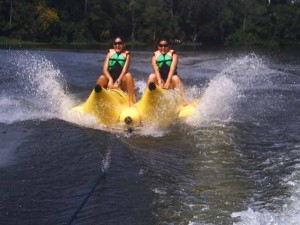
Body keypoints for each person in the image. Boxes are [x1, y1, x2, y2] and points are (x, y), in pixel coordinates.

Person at [96, 37, 136, 106]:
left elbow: (124, 70)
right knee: (101, 78)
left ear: (123, 45)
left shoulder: (127, 55)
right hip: (109, 81)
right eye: (116, 43)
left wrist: (118, 81)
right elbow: (104, 69)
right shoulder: (109, 53)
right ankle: (95, 100)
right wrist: (110, 80)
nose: (117, 45)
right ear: (113, 45)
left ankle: (131, 101)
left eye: (120, 43)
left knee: (129, 75)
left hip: (121, 83)